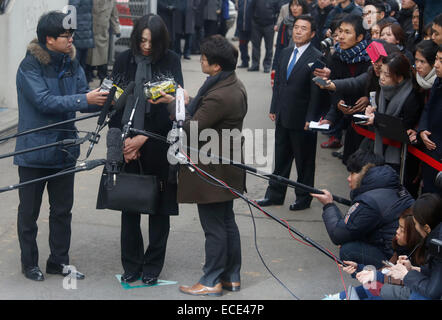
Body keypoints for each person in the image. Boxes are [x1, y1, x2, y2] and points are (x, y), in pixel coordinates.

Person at [14, 11, 109, 281]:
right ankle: (29, 263)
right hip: (33, 151)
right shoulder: (29, 66)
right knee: (29, 212)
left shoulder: (71, 62)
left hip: (64, 149)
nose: (70, 42)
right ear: (49, 39)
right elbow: (44, 102)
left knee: (62, 211)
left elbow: (84, 99)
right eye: (65, 37)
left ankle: (59, 261)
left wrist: (107, 98)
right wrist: (83, 98)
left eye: (71, 36)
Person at [155, 34, 247, 296]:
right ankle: (231, 276)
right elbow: (207, 111)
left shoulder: (220, 94)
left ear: (216, 65)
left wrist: (173, 105)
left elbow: (191, 128)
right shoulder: (230, 84)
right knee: (226, 221)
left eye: (204, 59)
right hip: (225, 164)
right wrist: (186, 100)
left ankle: (212, 279)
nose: (201, 62)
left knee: (215, 226)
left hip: (213, 168)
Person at [107, 14, 183, 286]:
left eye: (152, 41)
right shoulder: (123, 59)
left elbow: (174, 108)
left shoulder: (171, 60)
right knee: (129, 206)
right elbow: (115, 105)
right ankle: (131, 265)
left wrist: (145, 139)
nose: (147, 46)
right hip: (128, 144)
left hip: (159, 144)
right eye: (142, 40)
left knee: (159, 211)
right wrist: (125, 144)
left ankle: (153, 266)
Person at [256, 15, 327, 211]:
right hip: (283, 115)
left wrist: (311, 118)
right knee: (281, 158)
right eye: (296, 27)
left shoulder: (317, 57)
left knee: (304, 162)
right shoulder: (286, 53)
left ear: (312, 34)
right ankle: (275, 194)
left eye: (303, 28)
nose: (298, 31)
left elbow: (316, 92)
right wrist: (273, 108)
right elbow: (279, 84)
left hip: (302, 119)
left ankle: (303, 198)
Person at [311, 149, 415, 269]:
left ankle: (375, 283)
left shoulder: (370, 201)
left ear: (364, 173)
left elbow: (338, 234)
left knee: (348, 250)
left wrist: (328, 205)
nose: (348, 178)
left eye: (352, 173)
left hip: (397, 259)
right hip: (405, 253)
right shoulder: (392, 185)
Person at [323, 209, 426, 300]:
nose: (397, 231)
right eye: (398, 227)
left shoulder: (423, 262)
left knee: (371, 287)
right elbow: (386, 272)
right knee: (366, 287)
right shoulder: (402, 248)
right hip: (388, 288)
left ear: (415, 234)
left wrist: (374, 279)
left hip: (394, 292)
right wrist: (359, 269)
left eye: (402, 230)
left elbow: (397, 288)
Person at [363, 52, 422, 197]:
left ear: (400, 77)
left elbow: (401, 126)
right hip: (380, 147)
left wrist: (377, 119)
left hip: (402, 156)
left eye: (387, 75)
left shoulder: (411, 96)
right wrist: (373, 111)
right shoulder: (382, 90)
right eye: (381, 72)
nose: (382, 78)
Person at [319, 14, 372, 165]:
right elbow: (335, 90)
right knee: (351, 163)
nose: (341, 36)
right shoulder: (336, 57)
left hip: (371, 123)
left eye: (347, 32)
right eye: (340, 31)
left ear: (360, 37)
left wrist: (369, 99)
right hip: (351, 122)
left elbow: (365, 83)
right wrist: (338, 104)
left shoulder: (371, 57)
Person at [387, 193, 442, 299]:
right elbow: (436, 274)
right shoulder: (437, 236)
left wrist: (406, 275)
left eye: (415, 223)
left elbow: (432, 292)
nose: (415, 226)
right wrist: (412, 269)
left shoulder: (438, 247)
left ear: (427, 228)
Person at [417, 44, 442, 194]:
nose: (437, 65)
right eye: (437, 59)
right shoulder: (438, 81)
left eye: (441, 60)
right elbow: (428, 108)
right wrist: (422, 129)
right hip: (431, 147)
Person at [271, 0, 310, 74]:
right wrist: (275, 67)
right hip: (287, 57)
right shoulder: (286, 22)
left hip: (304, 59)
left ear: (303, 7)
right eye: (292, 5)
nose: (294, 8)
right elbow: (279, 46)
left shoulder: (310, 22)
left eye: (297, 5)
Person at [86, 0, 120, 82]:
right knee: (89, 57)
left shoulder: (111, 1)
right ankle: (88, 74)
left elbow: (114, 16)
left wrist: (117, 30)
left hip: (103, 33)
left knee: (103, 57)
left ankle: (102, 76)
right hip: (91, 32)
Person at [248, 0, 280, 73]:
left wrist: (275, 24)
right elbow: (250, 9)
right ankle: (255, 65)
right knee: (255, 46)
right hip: (256, 25)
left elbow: (278, 11)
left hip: (269, 25)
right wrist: (253, 22)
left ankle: (267, 65)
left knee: (269, 47)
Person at [68, 0, 94, 82]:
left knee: (77, 62)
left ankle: (78, 84)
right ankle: (80, 84)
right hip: (83, 31)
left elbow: (71, 11)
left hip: (81, 31)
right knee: (80, 63)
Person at [236, 0, 253, 68]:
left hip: (252, 27)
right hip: (241, 27)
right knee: (242, 45)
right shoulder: (240, 1)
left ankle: (255, 63)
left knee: (255, 46)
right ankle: (245, 61)